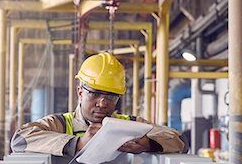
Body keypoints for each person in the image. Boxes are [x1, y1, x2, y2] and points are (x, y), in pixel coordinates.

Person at [11, 52, 189, 157]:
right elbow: (20, 140)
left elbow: (180, 141)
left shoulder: (130, 125)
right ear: (80, 92)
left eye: (111, 96)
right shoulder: (61, 124)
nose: (103, 103)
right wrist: (78, 143)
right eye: (95, 94)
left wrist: (149, 144)